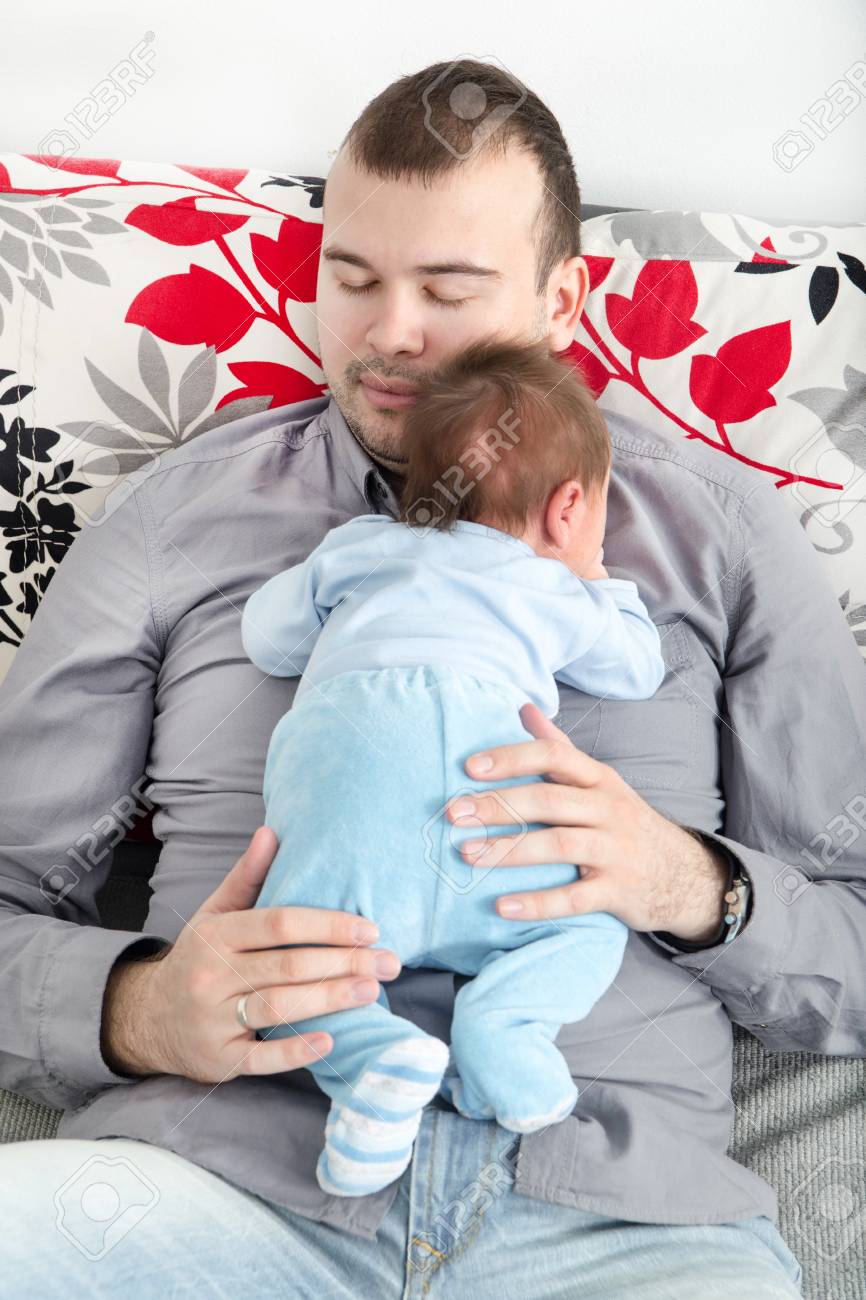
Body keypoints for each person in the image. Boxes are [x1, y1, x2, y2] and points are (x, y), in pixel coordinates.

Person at [2, 57, 864, 1297]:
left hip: (615, 1226)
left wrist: (690, 882)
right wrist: (138, 1008)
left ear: (560, 298)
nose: (389, 333)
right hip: (215, 1186)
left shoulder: (716, 535)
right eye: (351, 279)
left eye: (448, 290)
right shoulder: (176, 522)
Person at [240, 335, 664, 1197]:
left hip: (350, 823)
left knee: (286, 957)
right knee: (587, 922)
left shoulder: (361, 546)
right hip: (492, 821)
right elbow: (637, 667)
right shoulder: (556, 591)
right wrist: (598, 579)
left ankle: (373, 1056)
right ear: (570, 509)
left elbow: (266, 639)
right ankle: (503, 1027)